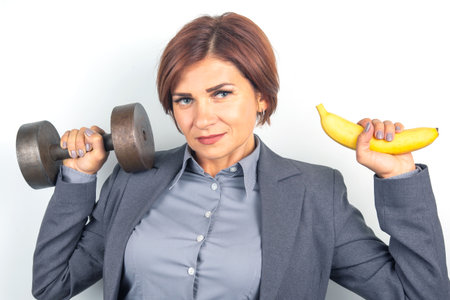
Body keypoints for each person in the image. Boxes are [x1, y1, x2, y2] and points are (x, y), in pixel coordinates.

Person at [32, 12, 449, 300]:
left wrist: (399, 178)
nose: (202, 118)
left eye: (222, 94)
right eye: (184, 100)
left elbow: (420, 294)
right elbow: (51, 285)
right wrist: (78, 179)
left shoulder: (316, 194)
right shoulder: (132, 180)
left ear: (262, 98)